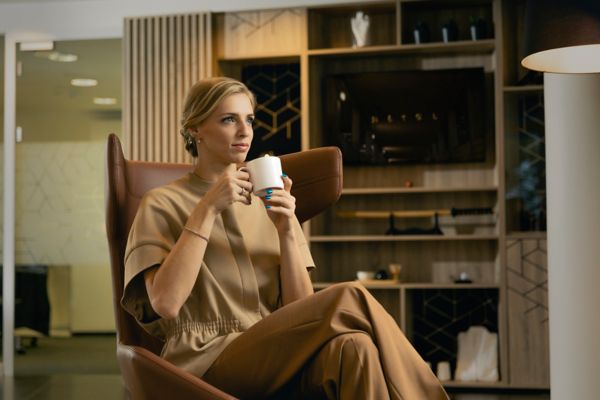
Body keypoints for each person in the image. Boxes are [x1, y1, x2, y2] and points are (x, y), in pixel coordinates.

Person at [122, 76, 449, 399]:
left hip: (277, 352)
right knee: (350, 297)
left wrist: (287, 228)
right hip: (203, 362)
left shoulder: (267, 200)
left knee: (356, 348)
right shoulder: (161, 203)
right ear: (195, 129)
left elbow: (301, 310)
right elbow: (165, 303)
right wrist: (206, 210)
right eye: (228, 120)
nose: (244, 131)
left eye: (249, 119)